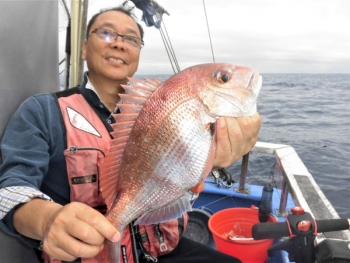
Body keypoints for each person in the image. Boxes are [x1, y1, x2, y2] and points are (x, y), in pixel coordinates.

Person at [0, 5, 261, 263]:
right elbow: (10, 189)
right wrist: (46, 220)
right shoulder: (42, 110)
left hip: (164, 251)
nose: (118, 44)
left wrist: (214, 156)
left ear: (138, 53)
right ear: (82, 48)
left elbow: (185, 177)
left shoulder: (162, 108)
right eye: (106, 33)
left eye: (131, 39)